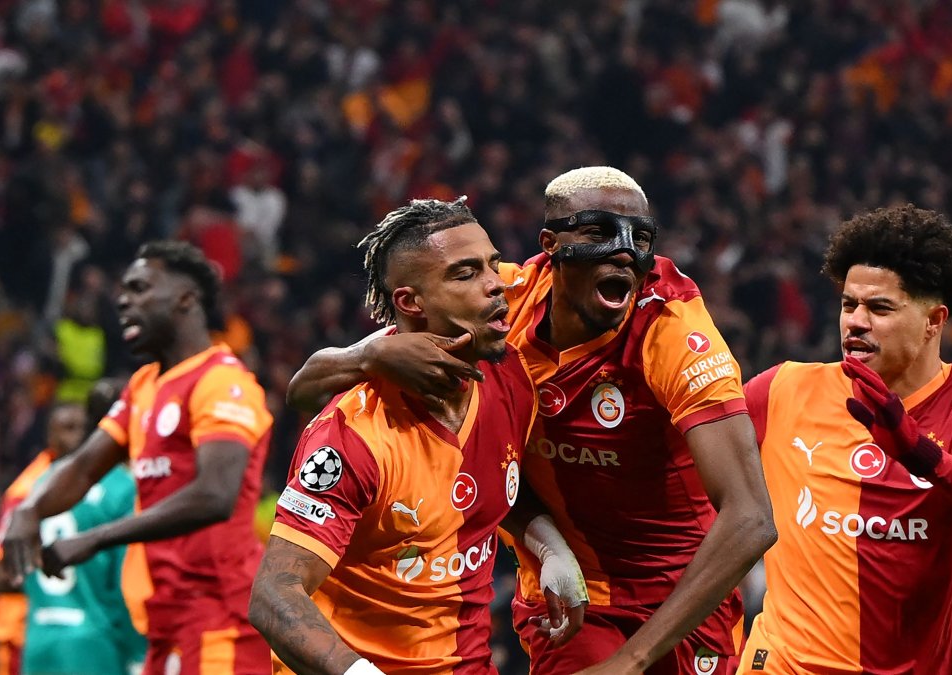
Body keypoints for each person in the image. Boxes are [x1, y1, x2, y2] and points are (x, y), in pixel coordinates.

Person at [288, 167, 777, 674]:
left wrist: (629, 662)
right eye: (599, 232)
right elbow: (304, 388)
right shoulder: (503, 303)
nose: (626, 252)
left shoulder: (672, 331)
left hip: (682, 599)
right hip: (570, 600)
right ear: (551, 244)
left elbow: (752, 517)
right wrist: (370, 356)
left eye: (642, 238)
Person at [248, 197, 588, 675]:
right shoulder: (354, 433)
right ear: (410, 302)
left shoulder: (510, 377)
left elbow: (492, 486)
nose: (497, 284)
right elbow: (272, 596)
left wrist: (550, 547)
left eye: (492, 265)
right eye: (465, 274)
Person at [738, 205, 952, 674]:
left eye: (880, 308)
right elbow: (682, 473)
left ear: (934, 320)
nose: (855, 322)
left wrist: (920, 454)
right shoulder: (784, 389)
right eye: (849, 305)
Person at [3, 241, 275, 674]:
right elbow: (84, 466)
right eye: (123, 291)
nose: (123, 299)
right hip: (165, 621)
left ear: (186, 298)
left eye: (140, 288)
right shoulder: (144, 386)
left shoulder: (222, 382)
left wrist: (95, 538)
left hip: (221, 619)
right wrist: (30, 510)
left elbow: (214, 495)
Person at [22, 378, 146, 675]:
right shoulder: (122, 487)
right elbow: (124, 583)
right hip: (92, 646)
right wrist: (137, 653)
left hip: (39, 638)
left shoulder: (42, 482)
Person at [0, 403, 90, 675]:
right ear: (49, 437)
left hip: (69, 628)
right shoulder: (26, 491)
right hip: (23, 629)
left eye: (83, 429)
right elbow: (1, 576)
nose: (77, 437)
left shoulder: (85, 480)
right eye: (68, 429)